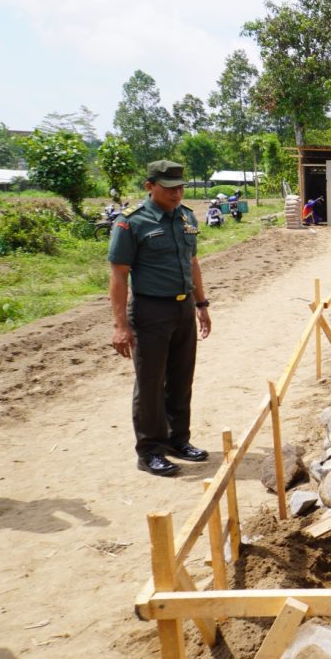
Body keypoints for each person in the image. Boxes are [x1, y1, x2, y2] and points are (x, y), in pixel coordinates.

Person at [108, 160, 211, 476]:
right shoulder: (131, 223)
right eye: (169, 189)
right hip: (150, 311)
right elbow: (118, 275)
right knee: (151, 383)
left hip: (182, 309)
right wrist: (120, 325)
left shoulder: (186, 217)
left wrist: (201, 304)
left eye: (180, 188)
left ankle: (178, 440)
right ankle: (150, 450)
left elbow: (192, 262)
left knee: (181, 378)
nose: (176, 194)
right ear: (149, 186)